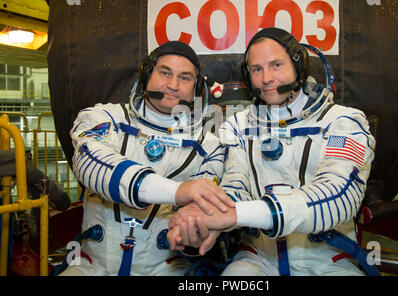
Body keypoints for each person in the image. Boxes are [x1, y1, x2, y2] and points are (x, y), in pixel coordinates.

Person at [167, 27, 377, 276]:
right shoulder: (239, 125)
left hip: (328, 259)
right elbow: (236, 185)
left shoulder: (344, 122)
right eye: (257, 69)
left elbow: (339, 196)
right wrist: (203, 217)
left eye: (276, 65)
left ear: (299, 66)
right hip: (259, 258)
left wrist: (235, 216)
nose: (266, 78)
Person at [59, 41, 234, 276]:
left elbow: (200, 210)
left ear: (196, 88)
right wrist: (179, 191)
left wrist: (196, 230)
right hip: (91, 266)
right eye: (164, 73)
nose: (172, 85)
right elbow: (90, 165)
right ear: (146, 76)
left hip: (164, 269)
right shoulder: (104, 118)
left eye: (184, 78)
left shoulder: (208, 146)